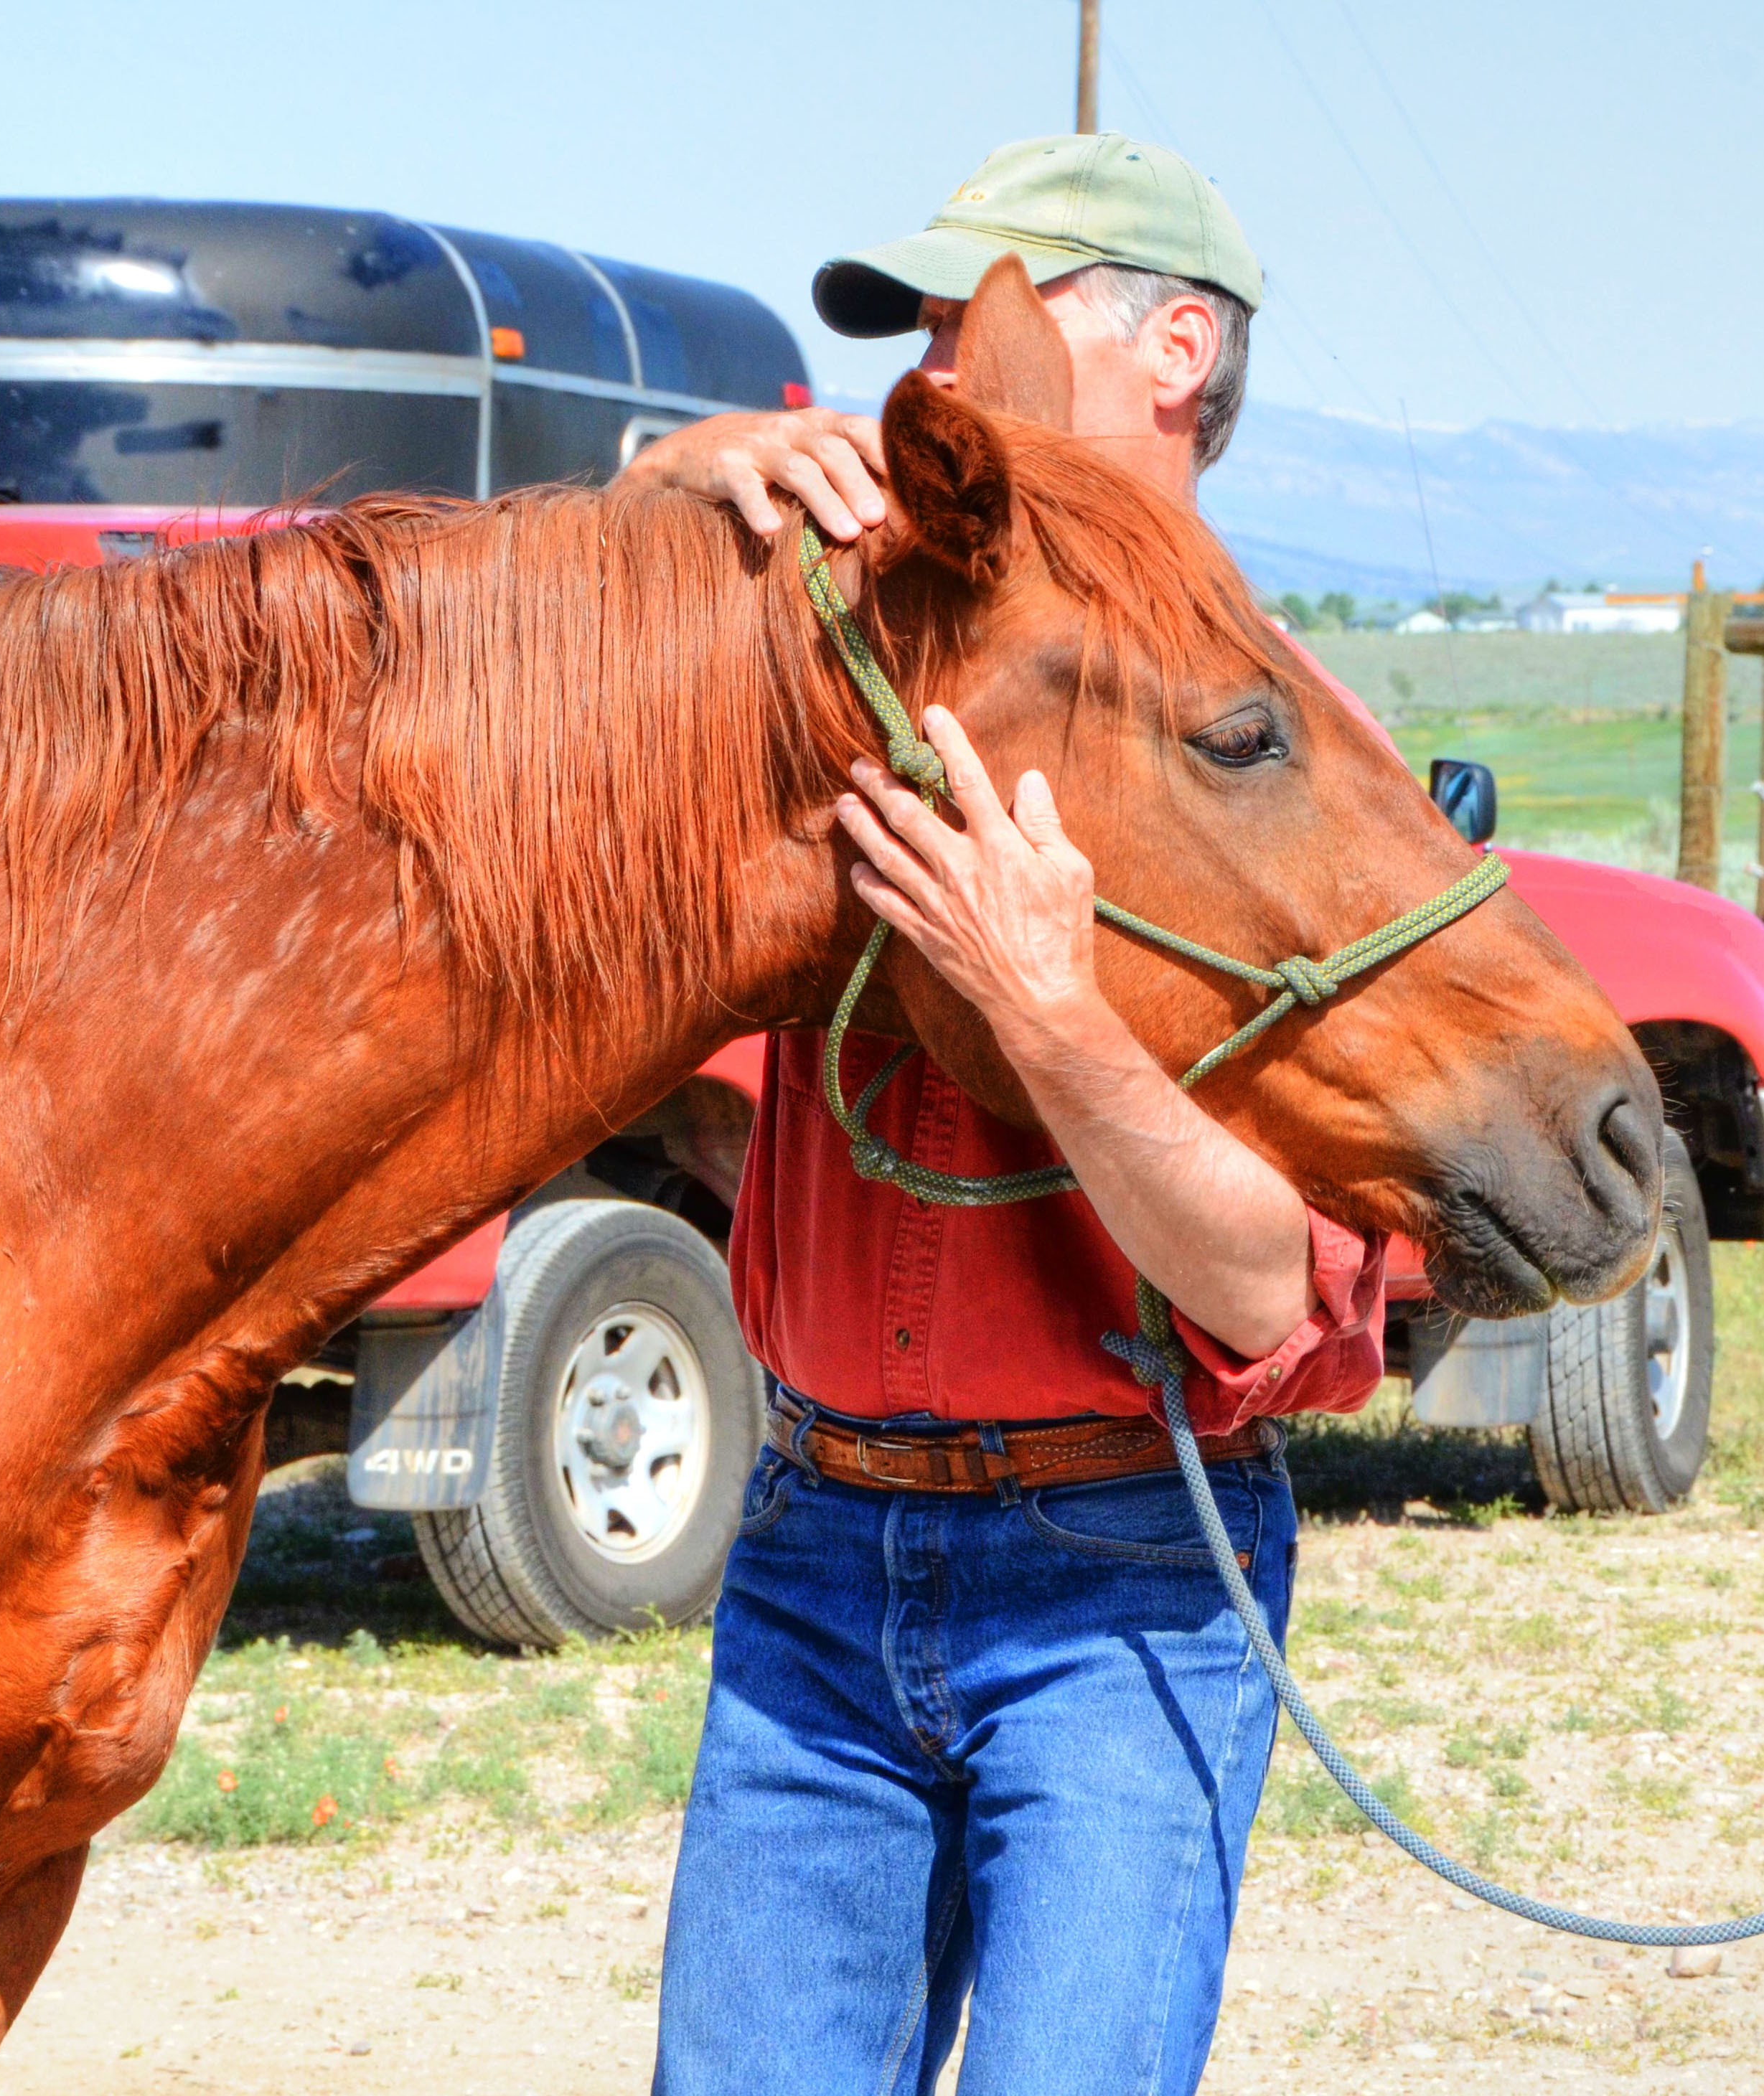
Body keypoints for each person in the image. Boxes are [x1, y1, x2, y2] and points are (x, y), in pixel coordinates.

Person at [624, 135, 1389, 2096]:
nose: (932, 381)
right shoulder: (841, 663)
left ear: (1171, 348)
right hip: (808, 1542)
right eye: (916, 337)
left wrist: (1051, 1012)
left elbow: (1287, 1310)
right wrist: (653, 494)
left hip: (1125, 1568)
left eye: (981, 320)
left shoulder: (1291, 768)